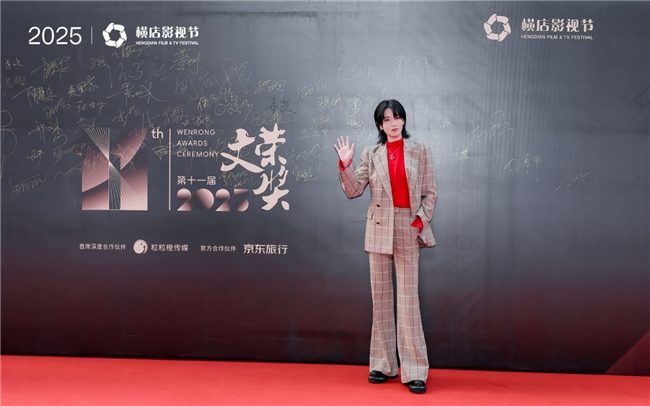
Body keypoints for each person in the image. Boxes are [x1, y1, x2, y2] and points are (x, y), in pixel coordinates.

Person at [334, 99, 437, 394]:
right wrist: (345, 164)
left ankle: (414, 370)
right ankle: (382, 364)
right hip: (378, 227)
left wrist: (419, 221)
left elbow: (430, 193)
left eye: (398, 117)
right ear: (380, 124)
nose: (394, 123)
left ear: (404, 120)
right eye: (387, 119)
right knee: (380, 300)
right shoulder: (371, 153)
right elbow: (354, 190)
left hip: (407, 226)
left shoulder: (420, 150)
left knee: (408, 302)